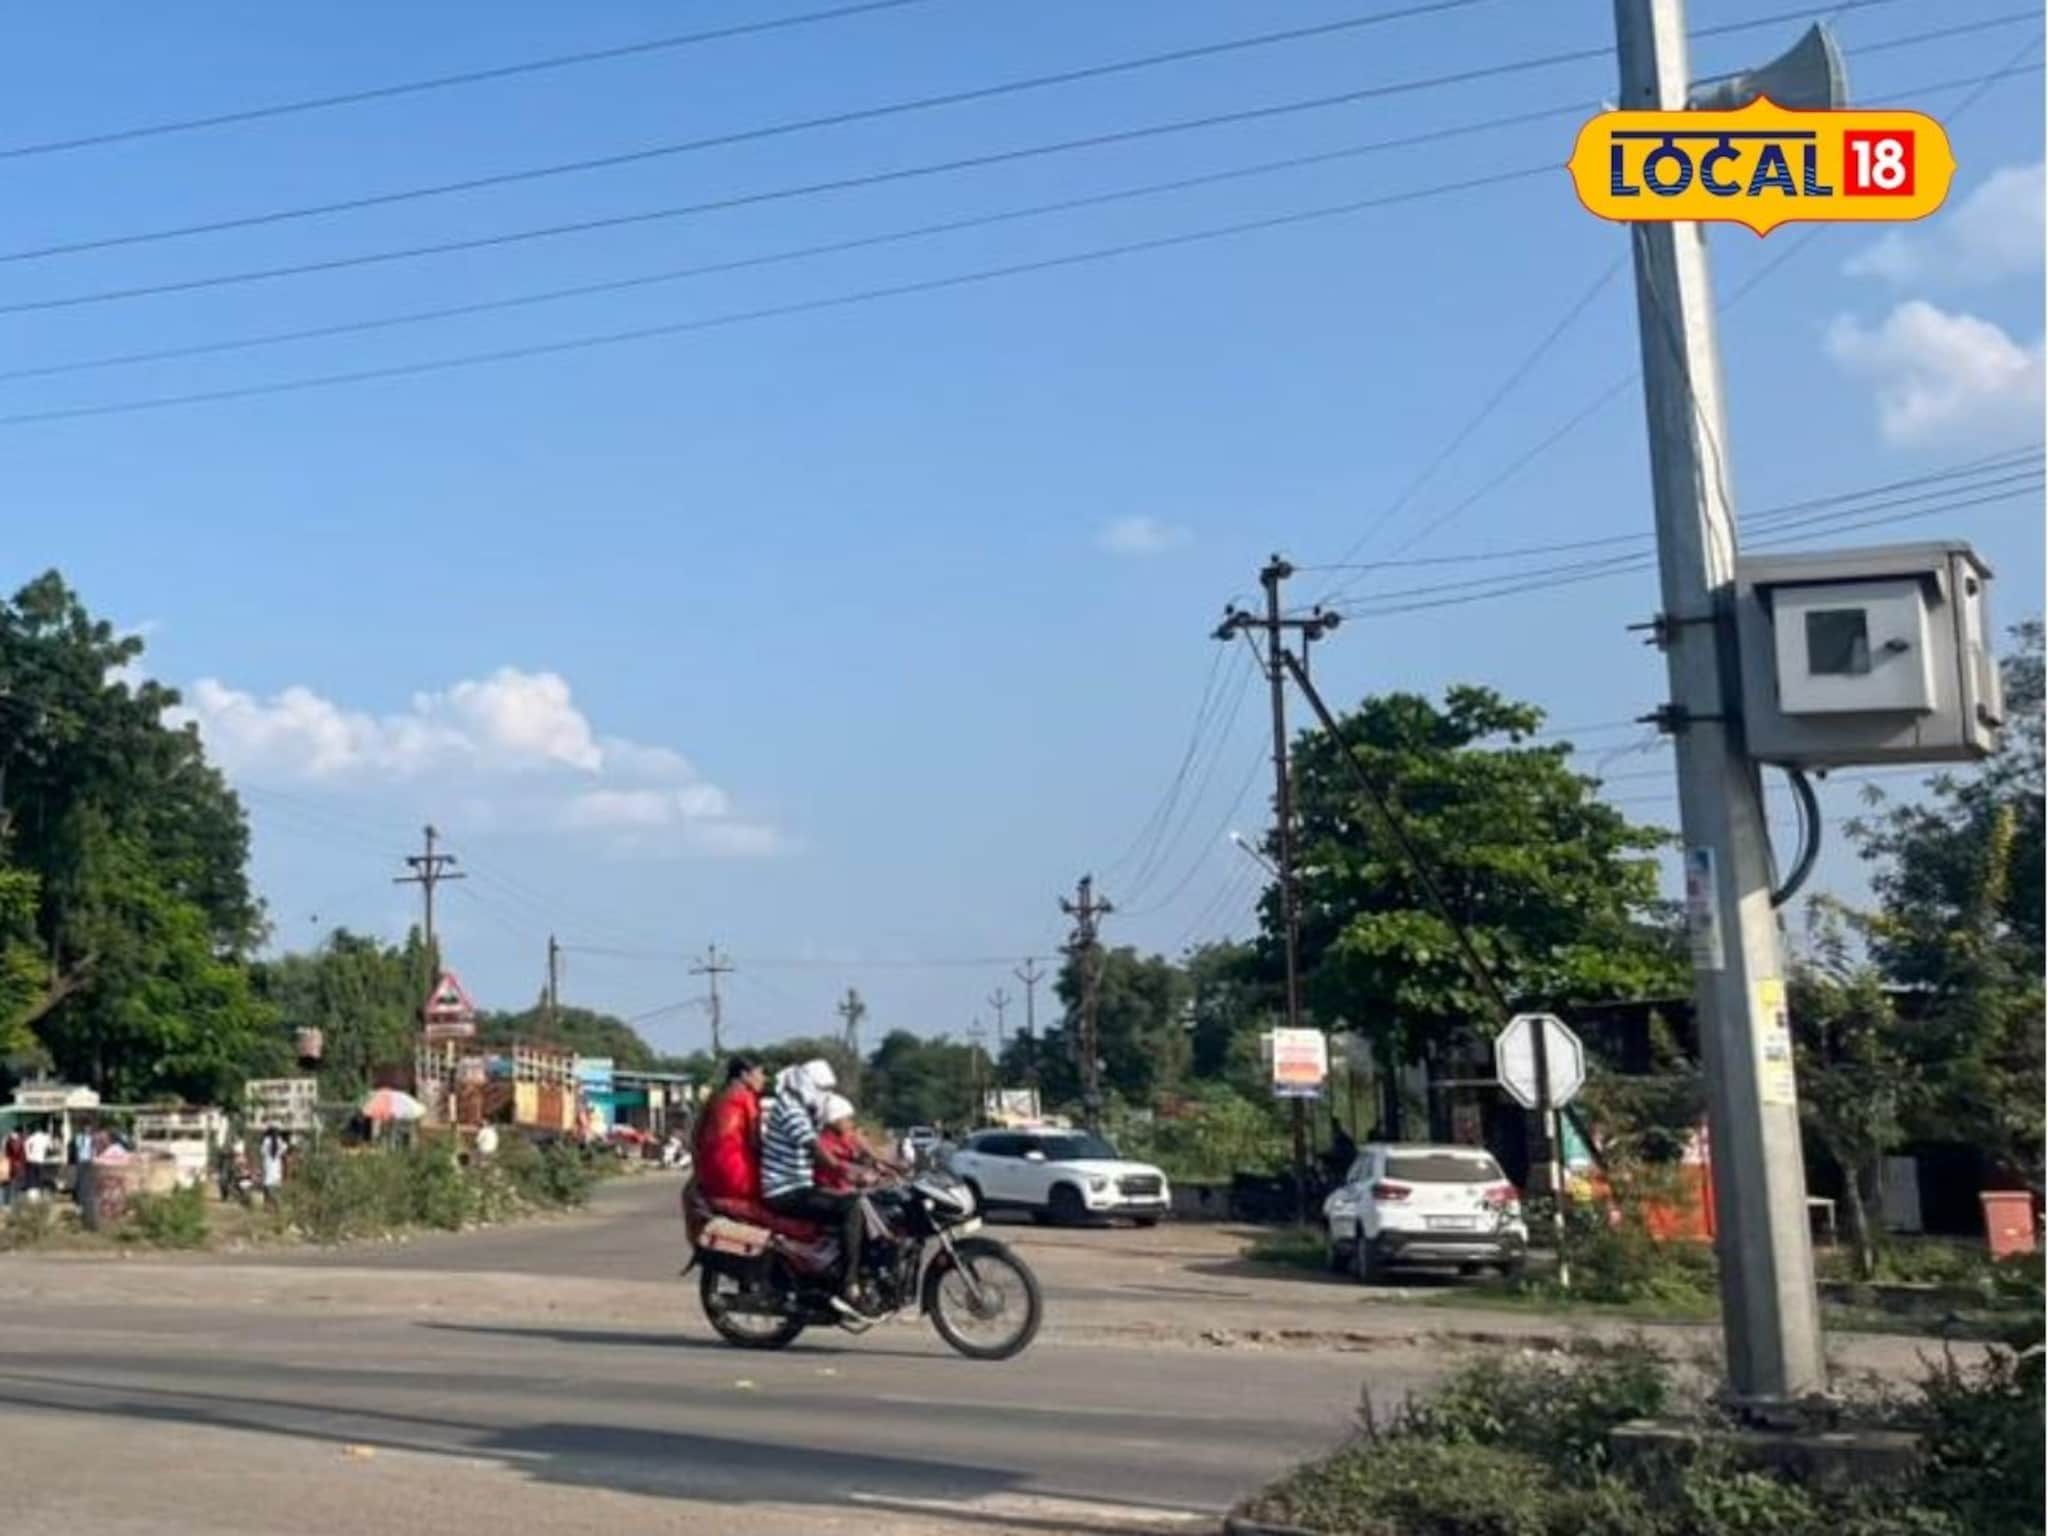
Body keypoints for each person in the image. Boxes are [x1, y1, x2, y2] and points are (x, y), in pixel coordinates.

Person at [759, 1060, 865, 1314]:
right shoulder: (790, 1109)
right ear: (807, 1084)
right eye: (821, 1088)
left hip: (800, 1185)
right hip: (785, 1190)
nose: (825, 1094)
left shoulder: (802, 1108)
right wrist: (845, 1170)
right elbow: (815, 1148)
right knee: (850, 1207)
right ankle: (848, 1284)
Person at [692, 1056, 767, 1205]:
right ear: (744, 1075)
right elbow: (755, 1142)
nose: (764, 1078)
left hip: (708, 1175)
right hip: (737, 1177)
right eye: (760, 1073)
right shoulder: (747, 1098)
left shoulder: (714, 1097)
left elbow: (695, 1137)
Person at [814, 1095, 892, 1194]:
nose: (850, 1122)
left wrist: (874, 1163)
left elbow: (857, 1156)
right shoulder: (822, 1142)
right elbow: (838, 1166)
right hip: (829, 1190)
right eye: (846, 1119)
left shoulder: (844, 1136)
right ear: (833, 1120)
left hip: (844, 1188)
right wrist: (862, 1177)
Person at [259, 1126, 288, 1208]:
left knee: (267, 1186)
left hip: (268, 1164)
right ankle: (276, 1205)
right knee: (276, 1186)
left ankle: (267, 1205)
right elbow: (284, 1152)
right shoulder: (280, 1141)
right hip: (277, 1165)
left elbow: (262, 1153)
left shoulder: (266, 1141)